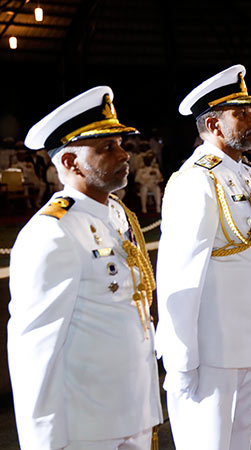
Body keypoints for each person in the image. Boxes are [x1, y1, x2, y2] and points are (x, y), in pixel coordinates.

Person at [8, 86, 162, 449]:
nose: (123, 154)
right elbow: (34, 350)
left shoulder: (117, 214)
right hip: (84, 426)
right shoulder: (52, 232)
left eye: (120, 143)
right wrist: (43, 441)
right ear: (69, 163)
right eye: (107, 148)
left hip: (132, 410)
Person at [156, 65, 251, 449]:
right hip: (212, 352)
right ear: (213, 124)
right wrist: (181, 361)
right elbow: (179, 275)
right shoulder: (197, 179)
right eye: (241, 113)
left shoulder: (240, 172)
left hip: (244, 344)